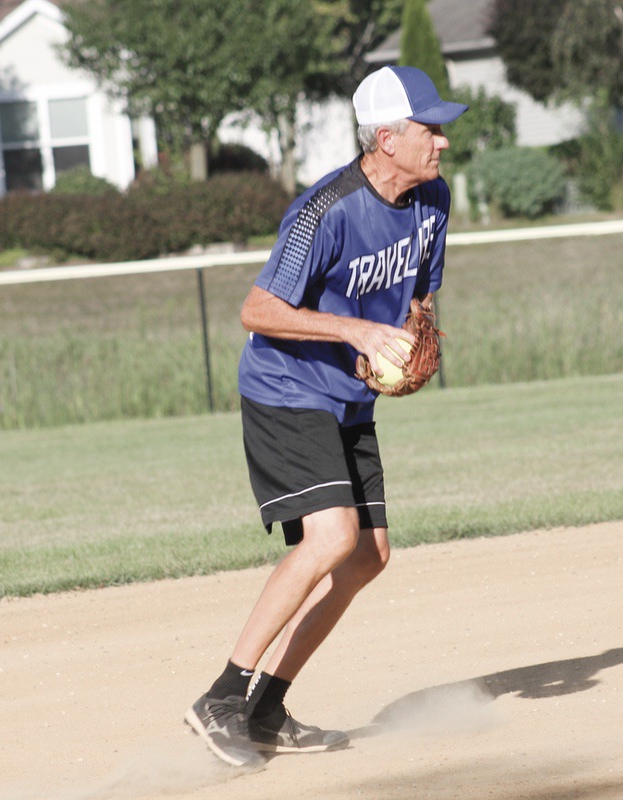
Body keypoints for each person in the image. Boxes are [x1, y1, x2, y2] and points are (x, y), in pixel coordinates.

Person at [184, 66, 467, 768]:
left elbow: (419, 295)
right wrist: (355, 332)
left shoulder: (433, 200)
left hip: (348, 396)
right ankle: (221, 696)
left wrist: (412, 337)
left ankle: (266, 708)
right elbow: (256, 311)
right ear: (386, 137)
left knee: (369, 554)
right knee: (333, 536)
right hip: (286, 387)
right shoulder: (326, 210)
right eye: (430, 129)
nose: (443, 142)